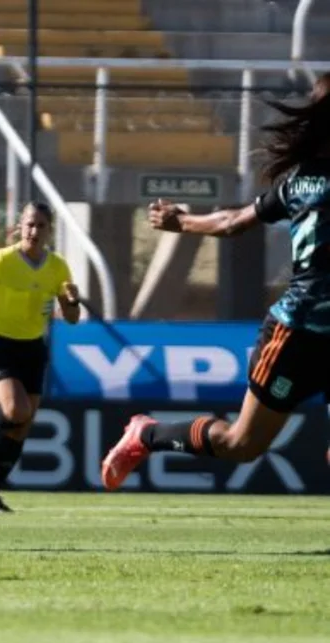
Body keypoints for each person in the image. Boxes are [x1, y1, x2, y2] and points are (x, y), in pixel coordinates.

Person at [102, 73, 330, 490]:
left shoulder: (300, 180)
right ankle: (147, 434)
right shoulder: (302, 181)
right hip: (296, 332)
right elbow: (234, 221)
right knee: (241, 443)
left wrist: (184, 220)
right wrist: (183, 222)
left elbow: (233, 222)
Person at [0, 202, 81, 513]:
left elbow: (71, 317)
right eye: (30, 225)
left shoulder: (58, 268)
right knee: (16, 410)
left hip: (33, 349)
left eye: (41, 226)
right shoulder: (4, 260)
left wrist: (73, 303)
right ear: (20, 227)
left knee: (22, 425)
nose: (34, 231)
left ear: (50, 231)